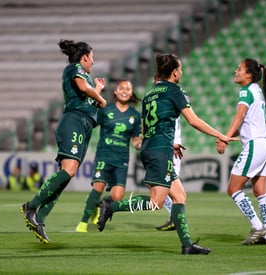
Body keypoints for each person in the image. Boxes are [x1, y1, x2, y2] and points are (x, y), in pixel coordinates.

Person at [97, 53, 238, 255]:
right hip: (160, 151)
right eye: (180, 69)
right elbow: (194, 121)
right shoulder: (175, 91)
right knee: (156, 203)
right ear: (174, 72)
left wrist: (168, 143)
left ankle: (187, 245)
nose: (181, 72)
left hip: (153, 148)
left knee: (179, 196)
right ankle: (112, 206)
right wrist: (221, 135)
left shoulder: (149, 94)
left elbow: (147, 129)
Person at [20, 39, 107, 244]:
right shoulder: (74, 68)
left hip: (83, 125)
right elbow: (82, 87)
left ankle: (39, 220)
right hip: (74, 121)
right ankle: (31, 207)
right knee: (68, 171)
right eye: (92, 58)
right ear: (85, 57)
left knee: (67, 176)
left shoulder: (85, 76)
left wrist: (98, 90)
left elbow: (87, 97)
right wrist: (101, 98)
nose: (93, 63)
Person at [216, 58, 266, 245]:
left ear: (248, 74)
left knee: (233, 188)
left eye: (239, 69)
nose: (236, 71)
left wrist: (225, 137)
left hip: (255, 146)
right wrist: (237, 137)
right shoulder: (258, 91)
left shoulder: (245, 91)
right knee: (260, 190)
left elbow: (240, 116)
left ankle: (258, 227)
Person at [75, 79, 141, 233]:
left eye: (128, 89)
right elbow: (90, 122)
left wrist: (139, 146)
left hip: (121, 159)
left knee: (117, 197)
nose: (125, 91)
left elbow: (136, 140)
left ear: (131, 93)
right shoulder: (106, 110)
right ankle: (83, 223)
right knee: (98, 187)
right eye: (122, 88)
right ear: (116, 92)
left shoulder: (135, 116)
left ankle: (99, 204)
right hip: (104, 155)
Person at [155, 115, 185, 231]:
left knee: (165, 186)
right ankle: (175, 218)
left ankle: (175, 218)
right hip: (169, 145)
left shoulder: (173, 99)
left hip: (170, 147)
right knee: (159, 184)